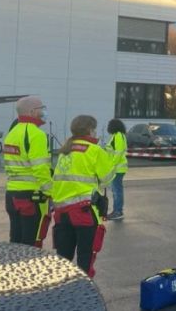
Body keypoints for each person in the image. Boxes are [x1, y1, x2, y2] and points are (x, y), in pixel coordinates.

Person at [50, 115, 115, 277]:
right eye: (94, 129)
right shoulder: (95, 150)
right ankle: (83, 294)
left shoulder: (65, 150)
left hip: (61, 212)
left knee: (63, 258)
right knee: (85, 257)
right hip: (84, 212)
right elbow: (107, 179)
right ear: (90, 130)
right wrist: (110, 158)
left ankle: (60, 291)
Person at [3, 95, 52, 247]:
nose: (44, 111)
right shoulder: (36, 134)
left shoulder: (12, 132)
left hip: (11, 194)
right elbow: (40, 168)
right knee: (31, 241)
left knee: (15, 239)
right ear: (32, 112)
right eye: (41, 108)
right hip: (30, 196)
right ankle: (26, 270)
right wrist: (51, 191)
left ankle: (13, 269)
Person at [105, 119, 128, 220]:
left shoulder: (118, 136)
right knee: (116, 190)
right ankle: (117, 210)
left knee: (116, 191)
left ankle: (118, 211)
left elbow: (118, 152)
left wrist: (112, 165)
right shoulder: (118, 135)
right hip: (118, 168)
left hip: (117, 168)